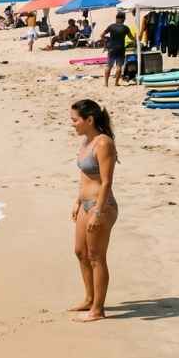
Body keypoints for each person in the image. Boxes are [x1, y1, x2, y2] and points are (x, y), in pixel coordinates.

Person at [69, 99, 119, 323]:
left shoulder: (103, 143)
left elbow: (106, 181)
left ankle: (98, 310)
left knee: (96, 256)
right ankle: (89, 299)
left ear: (89, 120)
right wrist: (77, 201)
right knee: (80, 252)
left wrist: (98, 212)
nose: (72, 124)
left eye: (75, 120)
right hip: (85, 204)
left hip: (102, 206)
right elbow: (85, 176)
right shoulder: (86, 142)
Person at [99, 12, 135, 87]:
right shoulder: (125, 28)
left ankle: (106, 83)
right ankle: (116, 83)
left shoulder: (111, 26)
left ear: (116, 18)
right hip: (121, 49)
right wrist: (136, 38)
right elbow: (131, 38)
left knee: (109, 66)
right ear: (123, 19)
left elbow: (101, 35)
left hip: (112, 48)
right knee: (119, 66)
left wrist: (106, 40)